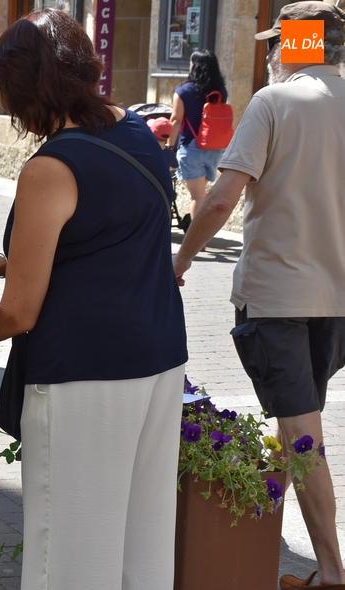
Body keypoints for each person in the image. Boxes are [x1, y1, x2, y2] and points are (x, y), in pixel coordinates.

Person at [0, 10, 187, 589]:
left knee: (67, 559)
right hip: (158, 360)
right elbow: (99, 240)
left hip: (85, 375)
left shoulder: (51, 166)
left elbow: (21, 312)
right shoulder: (133, 131)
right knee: (142, 549)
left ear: (32, 89)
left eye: (5, 91)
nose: (3, 106)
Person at [173, 3, 345, 589]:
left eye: (276, 42)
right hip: (336, 300)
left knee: (303, 437)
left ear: (295, 45)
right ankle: (253, 527)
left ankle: (330, 571)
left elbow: (220, 200)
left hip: (279, 296)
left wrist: (181, 258)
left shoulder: (275, 102)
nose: (269, 52)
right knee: (298, 425)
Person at [167, 49, 228, 219]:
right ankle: (201, 237)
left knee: (197, 197)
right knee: (202, 194)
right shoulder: (221, 91)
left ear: (195, 65)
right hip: (215, 147)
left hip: (191, 147)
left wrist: (170, 146)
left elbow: (176, 120)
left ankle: (198, 242)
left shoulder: (183, 90)